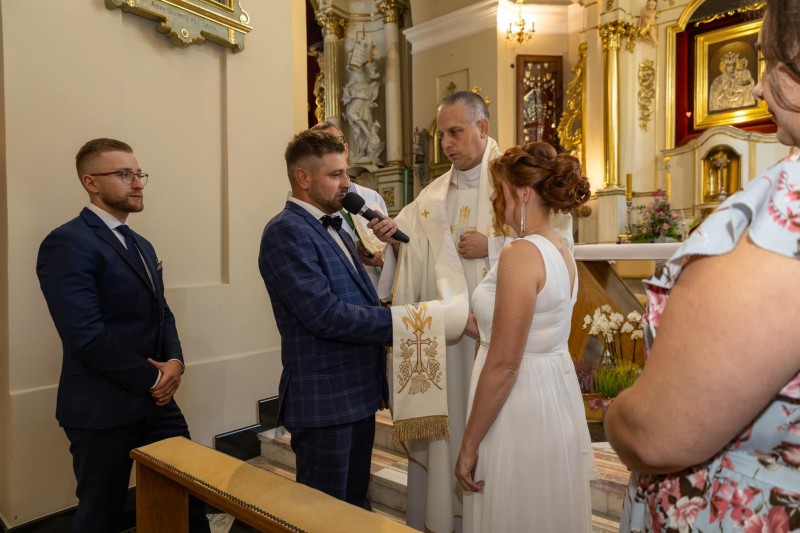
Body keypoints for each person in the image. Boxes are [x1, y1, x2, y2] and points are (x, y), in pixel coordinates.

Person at [605, 2, 800, 530]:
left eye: (768, 61)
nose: (757, 89)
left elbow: (657, 435)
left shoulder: (788, 215)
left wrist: (616, 413)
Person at [373, 90, 574, 533]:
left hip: (505, 348)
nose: (446, 143)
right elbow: (407, 255)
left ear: (482, 128)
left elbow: (560, 243)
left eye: (455, 132)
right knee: (453, 431)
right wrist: (390, 246)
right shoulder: (429, 198)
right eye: (441, 135)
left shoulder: (521, 179)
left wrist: (494, 245)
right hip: (450, 345)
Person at [36, 138, 210, 533]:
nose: (137, 183)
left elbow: (162, 314)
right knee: (102, 513)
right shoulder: (67, 242)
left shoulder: (141, 245)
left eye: (138, 174)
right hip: (102, 405)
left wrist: (175, 363)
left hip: (157, 403)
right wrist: (153, 378)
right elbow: (85, 335)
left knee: (188, 495)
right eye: (123, 174)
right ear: (91, 182)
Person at [453, 141, 593, 532]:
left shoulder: (520, 254)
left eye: (500, 192)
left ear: (523, 194)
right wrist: (453, 319)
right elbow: (529, 330)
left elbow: (504, 364)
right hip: (552, 397)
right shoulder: (560, 248)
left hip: (517, 407)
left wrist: (469, 444)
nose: (496, 201)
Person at [258, 130, 395, 508]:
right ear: (303, 178)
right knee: (323, 513)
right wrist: (402, 324)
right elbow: (324, 316)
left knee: (353, 506)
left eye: (346, 172)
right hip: (325, 400)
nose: (347, 183)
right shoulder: (285, 232)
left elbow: (362, 298)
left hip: (358, 394)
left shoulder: (338, 228)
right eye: (336, 175)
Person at [310, 121, 388, 289]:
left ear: (345, 148)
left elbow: (386, 251)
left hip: (376, 289)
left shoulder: (372, 197)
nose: (329, 151)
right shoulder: (313, 203)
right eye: (320, 147)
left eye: (335, 143)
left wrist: (383, 258)